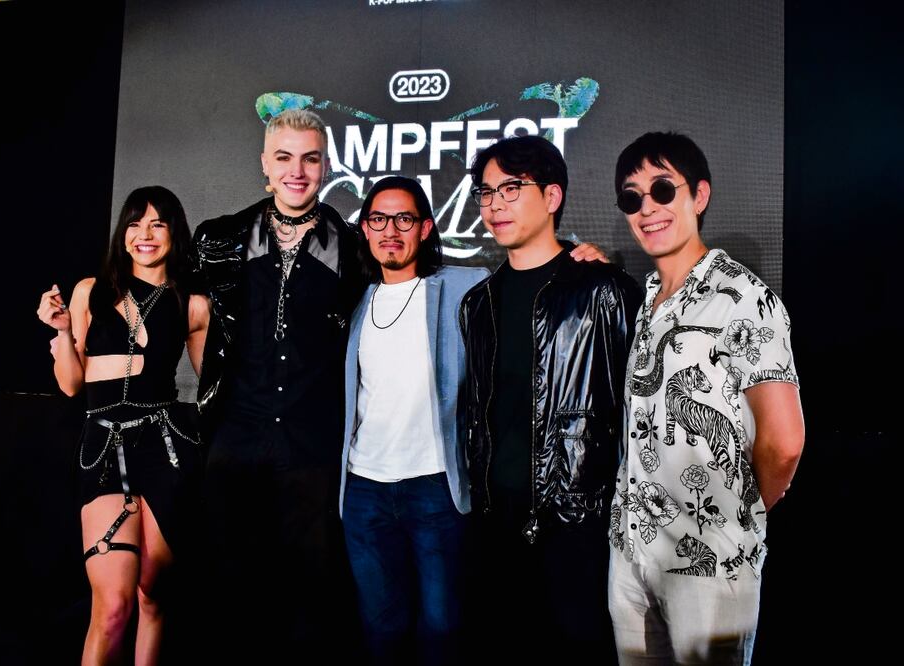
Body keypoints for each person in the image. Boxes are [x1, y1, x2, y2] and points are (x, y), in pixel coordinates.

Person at [607, 131, 804, 665]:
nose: (647, 208)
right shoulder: (647, 300)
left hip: (711, 563)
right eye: (632, 197)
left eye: (662, 190)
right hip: (631, 555)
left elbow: (785, 442)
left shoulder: (744, 298)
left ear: (699, 195)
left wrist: (734, 518)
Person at [460, 135, 641, 662]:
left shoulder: (604, 290)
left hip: (576, 521)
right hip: (495, 518)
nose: (495, 204)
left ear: (552, 196)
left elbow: (637, 413)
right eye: (486, 192)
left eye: (511, 188)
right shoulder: (477, 303)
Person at [191, 109, 363, 655]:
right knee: (233, 592)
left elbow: (422, 272)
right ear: (265, 164)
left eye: (310, 158)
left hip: (313, 447)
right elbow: (185, 316)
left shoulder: (353, 247)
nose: (297, 171)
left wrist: (571, 254)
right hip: (235, 443)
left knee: (310, 600)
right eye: (284, 158)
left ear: (325, 166)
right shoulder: (218, 239)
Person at [36, 185, 210, 665]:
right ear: (122, 233)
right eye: (135, 224)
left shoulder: (193, 304)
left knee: (153, 594)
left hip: (166, 449)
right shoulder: (90, 292)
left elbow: (212, 386)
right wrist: (62, 332)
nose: (145, 235)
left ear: (174, 232)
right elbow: (71, 384)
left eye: (157, 224)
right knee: (112, 606)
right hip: (103, 448)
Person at [339, 176, 489, 665]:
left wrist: (580, 256)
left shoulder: (464, 286)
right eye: (379, 219)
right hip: (364, 489)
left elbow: (529, 271)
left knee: (442, 627)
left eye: (403, 219)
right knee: (380, 627)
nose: (390, 230)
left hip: (435, 487)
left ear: (424, 228)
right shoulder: (352, 302)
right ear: (365, 229)